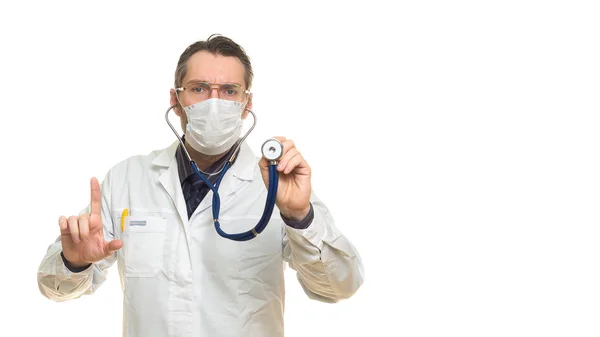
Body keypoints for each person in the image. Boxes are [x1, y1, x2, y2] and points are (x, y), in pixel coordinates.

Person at [37, 34, 364, 337]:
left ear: (247, 103)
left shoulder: (279, 184)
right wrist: (74, 262)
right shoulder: (127, 179)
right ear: (176, 99)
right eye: (199, 88)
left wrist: (299, 216)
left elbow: (339, 287)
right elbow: (54, 288)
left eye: (229, 91)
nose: (214, 102)